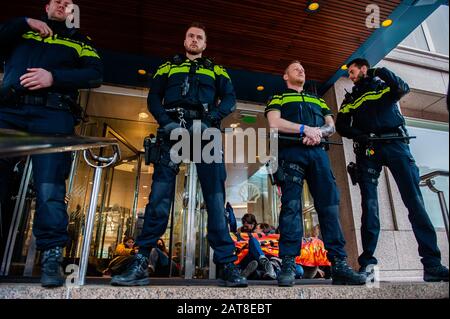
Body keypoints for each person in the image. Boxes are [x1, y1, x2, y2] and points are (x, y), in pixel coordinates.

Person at [110, 22, 246, 287]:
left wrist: (212, 119)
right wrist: (166, 123)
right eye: (190, 36)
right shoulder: (167, 65)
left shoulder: (216, 69)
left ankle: (227, 265)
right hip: (173, 130)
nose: (194, 40)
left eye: (199, 37)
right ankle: (140, 261)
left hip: (205, 132)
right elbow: (153, 98)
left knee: (216, 200)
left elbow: (229, 99)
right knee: (159, 197)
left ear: (205, 44)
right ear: (185, 41)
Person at [0, 0, 102, 287]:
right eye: (58, 1)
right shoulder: (21, 31)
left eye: (69, 3)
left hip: (53, 113)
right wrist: (24, 22)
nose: (63, 5)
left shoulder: (80, 40)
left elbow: (95, 74)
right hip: (10, 111)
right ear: (46, 6)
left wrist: (53, 77)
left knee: (49, 187)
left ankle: (51, 257)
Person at [335, 58, 449, 282]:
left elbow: (402, 87)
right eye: (348, 72)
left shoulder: (384, 85)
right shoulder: (350, 99)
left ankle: (432, 265)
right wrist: (359, 135)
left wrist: (379, 71)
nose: (350, 75)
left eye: (352, 71)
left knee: (415, 203)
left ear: (364, 68)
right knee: (370, 207)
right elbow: (341, 125)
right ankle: (368, 264)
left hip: (396, 144)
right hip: (368, 150)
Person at [265, 60, 366, 287]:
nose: (301, 70)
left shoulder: (318, 99)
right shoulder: (278, 97)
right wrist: (304, 128)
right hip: (291, 153)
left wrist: (317, 132)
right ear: (285, 76)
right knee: (291, 208)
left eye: (302, 68)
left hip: (318, 153)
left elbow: (331, 126)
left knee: (329, 208)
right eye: (295, 68)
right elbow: (274, 122)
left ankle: (339, 264)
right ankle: (288, 263)